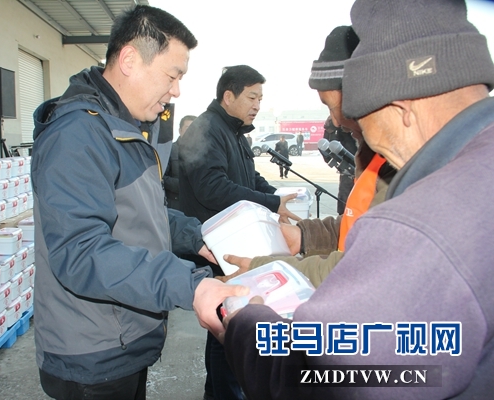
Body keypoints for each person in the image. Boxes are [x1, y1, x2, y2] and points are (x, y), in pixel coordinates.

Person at [222, 1, 494, 399]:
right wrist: (307, 236)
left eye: (360, 118)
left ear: (401, 108)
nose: (348, 129)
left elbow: (327, 378)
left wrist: (245, 323)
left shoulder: (422, 226)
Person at [30, 6, 246, 400]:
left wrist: (200, 237)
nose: (176, 91)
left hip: (122, 338)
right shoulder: (78, 134)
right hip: (91, 354)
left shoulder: (125, 126)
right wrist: (190, 285)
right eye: (172, 75)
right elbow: (80, 251)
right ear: (129, 60)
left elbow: (142, 213)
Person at [220, 25, 395, 290]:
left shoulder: (401, 164)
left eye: (339, 107)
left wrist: (266, 268)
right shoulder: (373, 154)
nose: (337, 121)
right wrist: (303, 236)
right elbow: (360, 227)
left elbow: (364, 264)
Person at [179, 65, 298, 400]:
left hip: (236, 243)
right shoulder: (207, 129)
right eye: (252, 97)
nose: (257, 105)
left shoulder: (234, 132)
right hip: (217, 247)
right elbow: (212, 188)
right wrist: (270, 202)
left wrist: (276, 198)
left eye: (260, 98)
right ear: (228, 96)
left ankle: (216, 393)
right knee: (229, 328)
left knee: (225, 327)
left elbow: (250, 178)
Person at [322, 116, 358, 214]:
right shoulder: (334, 124)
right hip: (347, 172)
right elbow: (325, 148)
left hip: (365, 170)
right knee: (345, 205)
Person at [164, 114, 196, 210]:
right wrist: (183, 185)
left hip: (196, 206)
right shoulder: (169, 150)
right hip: (175, 205)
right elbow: (161, 178)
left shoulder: (204, 152)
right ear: (180, 130)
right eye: (188, 128)